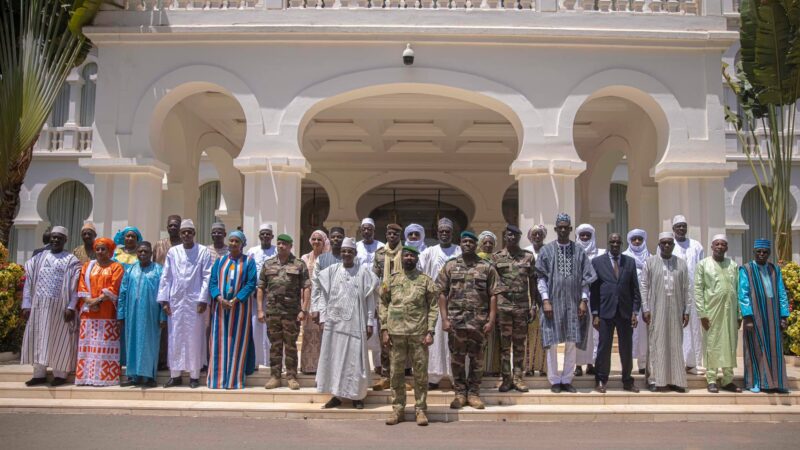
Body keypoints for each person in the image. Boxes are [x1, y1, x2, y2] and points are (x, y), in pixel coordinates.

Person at [314, 237, 379, 410]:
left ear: (355, 253)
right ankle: (337, 395)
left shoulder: (364, 273)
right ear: (340, 253)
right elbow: (323, 296)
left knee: (355, 362)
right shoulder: (331, 272)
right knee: (335, 360)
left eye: (350, 251)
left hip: (356, 325)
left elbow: (370, 299)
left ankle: (357, 396)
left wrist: (370, 321)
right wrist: (322, 318)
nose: (346, 254)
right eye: (344, 251)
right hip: (334, 325)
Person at [438, 231, 501, 409]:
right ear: (460, 243)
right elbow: (441, 292)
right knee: (457, 359)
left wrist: (491, 320)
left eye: (471, 242)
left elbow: (493, 295)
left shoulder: (487, 267)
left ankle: (473, 393)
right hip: (455, 322)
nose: (467, 244)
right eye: (464, 241)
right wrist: (444, 319)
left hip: (478, 322)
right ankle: (459, 393)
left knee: (477, 359)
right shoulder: (450, 266)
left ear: (476, 245)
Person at [535, 213, 596, 393]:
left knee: (571, 342)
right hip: (552, 304)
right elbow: (540, 278)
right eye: (560, 227)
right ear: (555, 229)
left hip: (574, 304)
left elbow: (587, 278)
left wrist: (584, 301)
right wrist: (545, 300)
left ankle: (567, 379)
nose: (563, 230)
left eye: (566, 227)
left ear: (570, 229)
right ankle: (554, 380)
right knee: (552, 343)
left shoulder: (579, 251)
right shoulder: (546, 251)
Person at [381, 245, 439, 426]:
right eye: (405, 255)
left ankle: (420, 409)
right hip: (396, 333)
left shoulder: (426, 281)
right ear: (401, 258)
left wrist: (430, 331)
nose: (408, 258)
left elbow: (434, 307)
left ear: (416, 259)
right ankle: (398, 409)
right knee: (396, 373)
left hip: (418, 334)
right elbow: (383, 303)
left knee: (420, 374)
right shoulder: (391, 280)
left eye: (412, 256)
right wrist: (384, 329)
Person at [20, 226, 81, 387]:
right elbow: (29, 282)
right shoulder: (38, 258)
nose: (55, 240)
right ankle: (38, 374)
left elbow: (76, 288)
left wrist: (71, 307)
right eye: (53, 237)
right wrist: (26, 304)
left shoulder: (71, 260)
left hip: (60, 308)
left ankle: (60, 374)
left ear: (65, 240)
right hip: (39, 306)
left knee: (59, 339)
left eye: (59, 238)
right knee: (39, 337)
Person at [158, 219, 214, 389]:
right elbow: (166, 276)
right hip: (175, 302)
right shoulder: (173, 252)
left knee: (194, 337)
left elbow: (207, 276)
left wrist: (203, 299)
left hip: (195, 302)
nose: (186, 235)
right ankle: (175, 375)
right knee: (175, 337)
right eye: (184, 232)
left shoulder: (203, 251)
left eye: (189, 231)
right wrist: (164, 300)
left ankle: (194, 376)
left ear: (194, 234)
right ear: (180, 234)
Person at [257, 234, 310, 391]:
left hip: (291, 313)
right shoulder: (268, 264)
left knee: (291, 345)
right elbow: (260, 287)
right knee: (275, 345)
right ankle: (275, 376)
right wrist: (260, 310)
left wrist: (304, 309)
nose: (281, 246)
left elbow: (306, 287)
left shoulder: (299, 264)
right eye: (279, 243)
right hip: (272, 312)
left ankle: (292, 376)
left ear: (290, 246)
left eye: (284, 244)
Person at [590, 233, 641, 393]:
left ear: (621, 244)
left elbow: (635, 290)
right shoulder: (598, 262)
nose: (615, 245)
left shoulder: (630, 262)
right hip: (605, 312)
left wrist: (635, 311)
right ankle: (600, 379)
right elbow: (595, 291)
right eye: (612, 242)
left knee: (626, 348)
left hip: (625, 312)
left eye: (618, 242)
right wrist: (595, 313)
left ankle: (627, 380)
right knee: (604, 347)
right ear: (608, 243)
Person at [738, 239, 791, 393]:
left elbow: (781, 293)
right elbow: (743, 294)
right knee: (755, 348)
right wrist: (747, 316)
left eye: (765, 252)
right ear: (753, 252)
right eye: (758, 252)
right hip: (755, 316)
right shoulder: (746, 269)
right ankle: (754, 382)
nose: (762, 254)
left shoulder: (775, 269)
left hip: (773, 316)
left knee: (775, 349)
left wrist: (783, 316)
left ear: (769, 253)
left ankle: (777, 383)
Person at [208, 231, 258, 389]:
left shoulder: (249, 262)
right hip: (221, 309)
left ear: (243, 244)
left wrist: (236, 300)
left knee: (237, 342)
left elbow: (251, 283)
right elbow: (213, 282)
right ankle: (217, 380)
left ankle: (233, 380)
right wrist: (219, 298)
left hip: (240, 309)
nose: (233, 244)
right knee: (219, 342)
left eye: (237, 241)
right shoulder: (220, 261)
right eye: (231, 241)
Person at [641, 232, 690, 393]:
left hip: (676, 310)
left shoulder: (681, 264)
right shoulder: (650, 262)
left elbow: (686, 289)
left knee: (675, 344)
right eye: (664, 243)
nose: (667, 245)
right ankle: (654, 379)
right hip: (656, 310)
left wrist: (687, 310)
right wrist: (645, 308)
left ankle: (676, 380)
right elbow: (644, 286)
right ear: (659, 245)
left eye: (670, 243)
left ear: (673, 245)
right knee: (656, 343)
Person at [74, 237, 125, 386]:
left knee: (106, 346)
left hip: (107, 313)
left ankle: (105, 378)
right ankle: (86, 377)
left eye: (104, 249)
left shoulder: (116, 267)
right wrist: (89, 301)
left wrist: (97, 301)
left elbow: (114, 287)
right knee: (88, 345)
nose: (100, 252)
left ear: (110, 251)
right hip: (88, 313)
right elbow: (82, 285)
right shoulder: (87, 266)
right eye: (98, 249)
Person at [492, 225, 537, 392]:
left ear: (519, 238)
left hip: (522, 307)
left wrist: (533, 305)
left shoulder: (528, 257)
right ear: (505, 237)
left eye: (515, 236)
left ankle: (518, 377)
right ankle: (506, 378)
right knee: (504, 345)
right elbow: (493, 284)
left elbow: (533, 282)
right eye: (509, 235)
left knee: (519, 344)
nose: (511, 238)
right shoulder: (496, 258)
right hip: (503, 307)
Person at [695, 234, 741, 394]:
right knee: (712, 344)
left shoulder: (733, 265)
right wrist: (702, 314)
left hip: (730, 312)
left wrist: (739, 314)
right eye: (717, 244)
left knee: (730, 344)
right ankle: (712, 379)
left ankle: (728, 380)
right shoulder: (703, 264)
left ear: (727, 248)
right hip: (711, 312)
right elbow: (698, 290)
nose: (720, 247)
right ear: (712, 247)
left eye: (723, 244)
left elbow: (738, 290)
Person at [419, 218, 461, 389]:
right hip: (435, 302)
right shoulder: (429, 252)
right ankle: (434, 377)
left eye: (448, 232)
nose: (444, 234)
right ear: (437, 234)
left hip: (456, 301)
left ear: (452, 234)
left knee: (454, 339)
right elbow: (419, 270)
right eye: (441, 232)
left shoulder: (458, 251)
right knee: (435, 339)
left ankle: (454, 375)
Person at [118, 241, 165, 387]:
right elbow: (123, 293)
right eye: (140, 252)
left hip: (151, 314)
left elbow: (164, 295)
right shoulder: (130, 270)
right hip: (132, 313)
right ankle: (133, 376)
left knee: (150, 343)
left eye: (146, 252)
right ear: (136, 253)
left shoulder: (158, 270)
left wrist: (163, 316)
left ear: (151, 254)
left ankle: (150, 377)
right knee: (132, 342)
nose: (143, 254)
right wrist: (121, 315)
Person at [671, 215, 705, 375]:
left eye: (684, 226)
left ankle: (693, 363)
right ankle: (677, 362)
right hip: (673, 293)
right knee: (676, 327)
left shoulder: (696, 246)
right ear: (673, 229)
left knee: (694, 328)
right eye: (678, 226)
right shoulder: (668, 245)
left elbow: (701, 268)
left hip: (693, 293)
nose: (681, 229)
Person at [372, 223, 404, 390]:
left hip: (401, 304)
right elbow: (373, 277)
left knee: (400, 340)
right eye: (390, 233)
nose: (392, 236)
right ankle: (385, 376)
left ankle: (399, 377)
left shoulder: (405, 253)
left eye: (395, 234)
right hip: (384, 303)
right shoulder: (379, 254)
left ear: (400, 236)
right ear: (386, 234)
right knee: (384, 339)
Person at [574, 223, 605, 377]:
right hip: (577, 297)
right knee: (579, 331)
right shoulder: (573, 253)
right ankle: (578, 365)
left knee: (594, 332)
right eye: (582, 235)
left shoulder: (600, 253)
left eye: (588, 234)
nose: (585, 237)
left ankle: (591, 363)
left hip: (596, 297)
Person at [154, 214, 182, 371]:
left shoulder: (184, 245)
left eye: (175, 225)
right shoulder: (159, 245)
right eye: (170, 225)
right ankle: (160, 360)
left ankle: (175, 361)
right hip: (161, 291)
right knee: (161, 327)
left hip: (178, 293)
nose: (173, 228)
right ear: (167, 227)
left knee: (176, 328)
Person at [247, 223, 277, 369]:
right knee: (255, 327)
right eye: (263, 234)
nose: (265, 236)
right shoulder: (252, 251)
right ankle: (256, 360)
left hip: (272, 297)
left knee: (271, 329)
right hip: (255, 298)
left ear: (272, 236)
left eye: (268, 234)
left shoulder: (277, 251)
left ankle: (270, 361)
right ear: (259, 236)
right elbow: (249, 272)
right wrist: (254, 290)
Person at [357, 218, 385, 374]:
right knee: (361, 328)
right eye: (364, 229)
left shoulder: (381, 247)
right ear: (361, 230)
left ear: (374, 231)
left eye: (370, 229)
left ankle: (379, 364)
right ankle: (362, 365)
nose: (367, 231)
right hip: (360, 291)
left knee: (377, 328)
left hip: (377, 291)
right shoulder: (356, 247)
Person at [300, 230, 330, 374]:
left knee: (322, 333)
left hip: (324, 300)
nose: (316, 242)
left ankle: (322, 367)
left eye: (319, 239)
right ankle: (308, 366)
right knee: (308, 333)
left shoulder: (327, 258)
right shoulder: (304, 258)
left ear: (324, 242)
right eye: (314, 239)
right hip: (308, 299)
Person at [624, 229, 651, 375]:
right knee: (629, 334)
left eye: (639, 239)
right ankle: (627, 365)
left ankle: (642, 364)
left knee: (644, 335)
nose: (637, 241)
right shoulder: (625, 257)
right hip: (629, 301)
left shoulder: (650, 257)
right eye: (634, 239)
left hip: (647, 301)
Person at [524, 224, 547, 377]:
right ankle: (529, 367)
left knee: (545, 332)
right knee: (529, 333)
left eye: (539, 234)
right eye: (534, 234)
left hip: (546, 297)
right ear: (530, 236)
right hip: (528, 296)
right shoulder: (525, 252)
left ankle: (544, 367)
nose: (537, 236)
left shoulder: (549, 251)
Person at [478, 230, 501, 378]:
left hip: (497, 300)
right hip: (480, 301)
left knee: (494, 336)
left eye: (490, 243)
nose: (487, 245)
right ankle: (480, 367)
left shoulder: (498, 259)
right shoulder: (476, 259)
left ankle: (492, 367)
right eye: (485, 243)